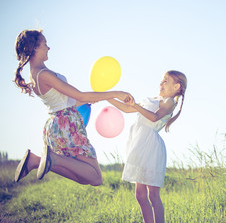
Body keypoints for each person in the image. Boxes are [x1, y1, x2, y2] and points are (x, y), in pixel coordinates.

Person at [13, 29, 132, 186]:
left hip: (58, 123)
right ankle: (52, 158)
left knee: (84, 177)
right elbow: (80, 96)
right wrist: (117, 93)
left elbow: (69, 101)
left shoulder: (36, 74)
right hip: (67, 124)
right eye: (45, 44)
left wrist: (92, 100)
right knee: (95, 178)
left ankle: (37, 161)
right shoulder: (43, 74)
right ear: (35, 47)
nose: (48, 48)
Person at [108, 70, 187, 223]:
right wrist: (106, 98)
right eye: (161, 80)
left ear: (176, 86)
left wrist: (136, 106)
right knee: (140, 194)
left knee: (153, 194)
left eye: (166, 81)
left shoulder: (170, 101)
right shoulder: (154, 99)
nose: (161, 83)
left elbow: (154, 117)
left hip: (150, 146)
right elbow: (126, 109)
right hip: (138, 144)